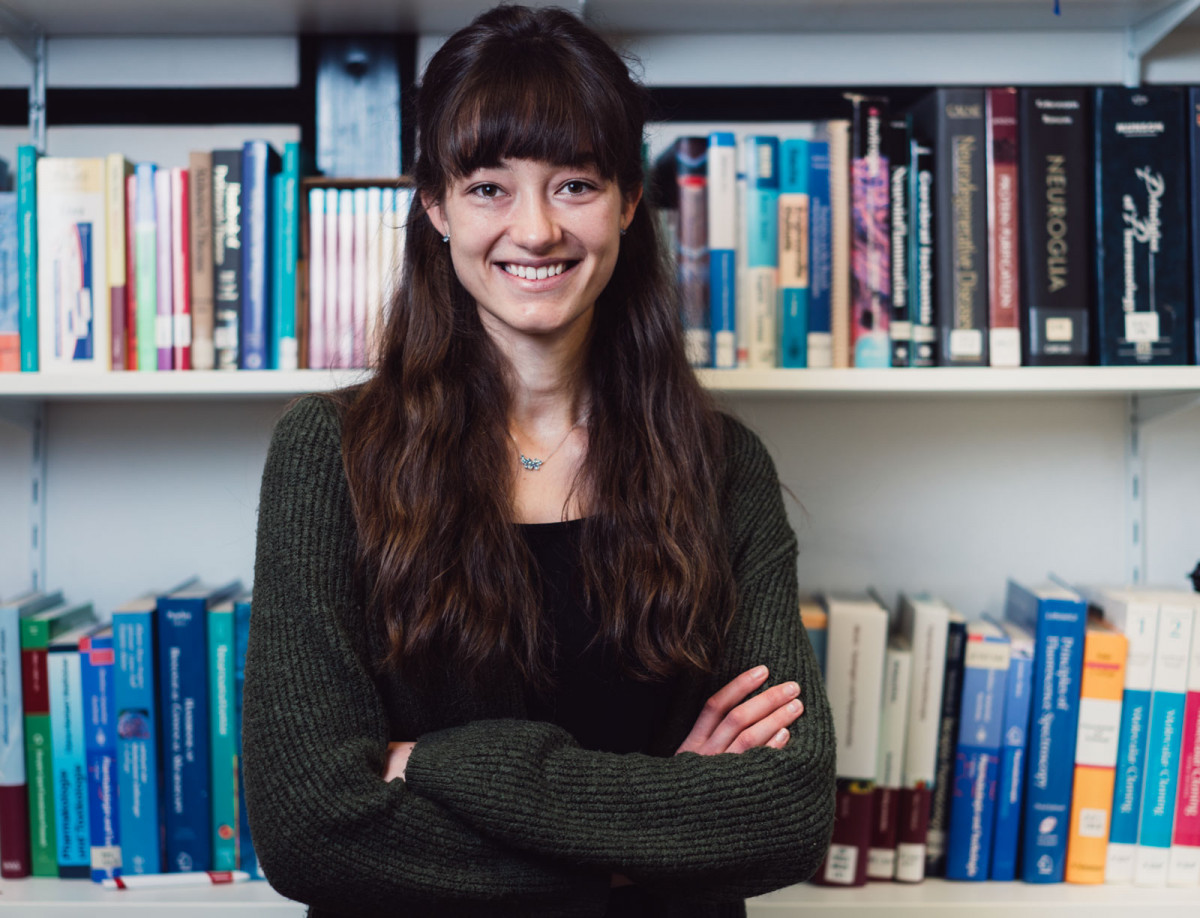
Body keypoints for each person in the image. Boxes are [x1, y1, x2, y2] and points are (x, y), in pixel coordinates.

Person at [242, 5, 835, 916]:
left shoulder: (722, 466)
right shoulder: (332, 457)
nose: (535, 230)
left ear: (630, 202)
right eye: (488, 187)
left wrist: (436, 763)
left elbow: (787, 813)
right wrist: (652, 839)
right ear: (435, 206)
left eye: (574, 185)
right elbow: (308, 829)